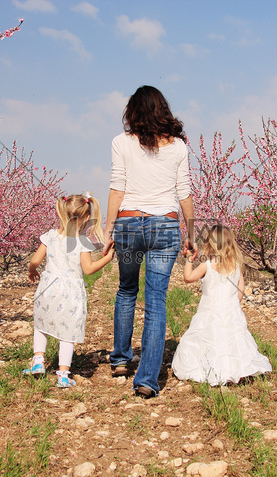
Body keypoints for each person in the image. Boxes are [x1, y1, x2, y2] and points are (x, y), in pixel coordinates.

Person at [103, 85, 197, 398]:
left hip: (129, 225)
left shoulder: (121, 142)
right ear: (163, 110)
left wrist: (108, 231)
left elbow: (117, 188)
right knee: (156, 300)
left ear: (133, 111)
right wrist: (192, 233)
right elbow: (184, 192)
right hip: (166, 227)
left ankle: (119, 359)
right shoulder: (179, 147)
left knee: (127, 288)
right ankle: (146, 381)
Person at [26, 193, 115, 388]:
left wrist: (32, 271)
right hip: (71, 293)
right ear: (86, 218)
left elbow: (35, 261)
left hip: (48, 289)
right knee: (68, 333)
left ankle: (38, 361)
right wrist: (108, 259)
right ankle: (63, 375)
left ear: (61, 212)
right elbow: (88, 269)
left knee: (41, 325)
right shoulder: (83, 242)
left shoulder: (50, 236)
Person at [172, 224, 272, 386]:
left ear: (210, 245)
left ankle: (210, 368)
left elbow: (188, 277)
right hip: (231, 311)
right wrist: (232, 305)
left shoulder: (208, 265)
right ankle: (236, 369)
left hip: (209, 312)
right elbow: (240, 290)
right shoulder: (236, 267)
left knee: (207, 339)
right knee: (233, 341)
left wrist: (189, 259)